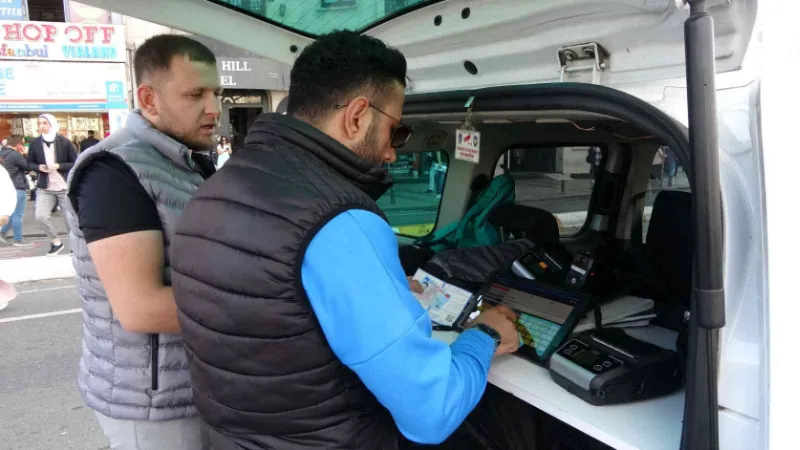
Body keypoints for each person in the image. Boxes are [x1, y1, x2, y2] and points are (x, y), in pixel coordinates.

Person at [170, 31, 528, 450]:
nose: (393, 153)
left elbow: (275, 319)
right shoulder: (340, 220)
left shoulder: (215, 188)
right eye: (395, 132)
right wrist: (483, 335)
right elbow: (433, 412)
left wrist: (388, 294)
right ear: (357, 116)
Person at [63, 34, 220, 450]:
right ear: (148, 100)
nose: (215, 108)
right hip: (151, 404)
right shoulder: (112, 171)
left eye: (217, 93)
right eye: (195, 94)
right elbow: (140, 307)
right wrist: (275, 307)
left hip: (198, 386)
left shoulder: (189, 163)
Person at [26, 114, 77, 256]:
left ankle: (75, 247)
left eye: (45, 123)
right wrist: (38, 167)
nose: (42, 126)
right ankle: (56, 241)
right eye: (40, 123)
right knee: (40, 216)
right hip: (45, 186)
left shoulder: (64, 142)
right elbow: (28, 163)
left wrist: (58, 165)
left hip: (63, 187)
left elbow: (75, 162)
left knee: (70, 219)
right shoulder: (35, 143)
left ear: (52, 124)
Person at [0, 136, 33, 247]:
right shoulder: (15, 155)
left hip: (4, 188)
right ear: (18, 145)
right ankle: (18, 239)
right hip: (17, 187)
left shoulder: (1, 153)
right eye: (22, 144)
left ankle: (2, 233)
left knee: (9, 213)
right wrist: (24, 154)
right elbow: (27, 167)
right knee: (18, 214)